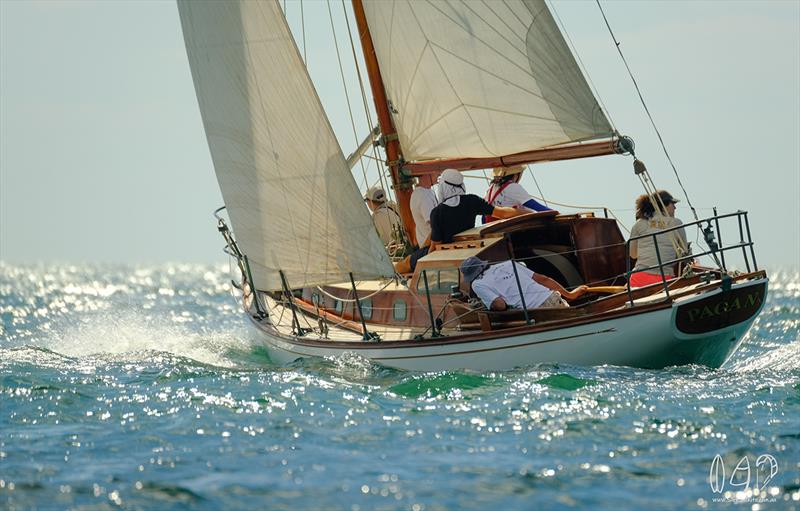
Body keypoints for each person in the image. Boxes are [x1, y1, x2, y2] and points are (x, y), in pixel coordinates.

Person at [429, 169, 525, 252]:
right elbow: (502, 213)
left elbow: (436, 245)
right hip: (470, 248)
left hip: (447, 252)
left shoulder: (436, 212)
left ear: (442, 187)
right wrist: (528, 213)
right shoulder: (472, 200)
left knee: (416, 256)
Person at [460, 256, 588, 311]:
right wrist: (570, 295)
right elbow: (543, 279)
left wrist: (488, 304)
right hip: (553, 299)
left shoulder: (477, 284)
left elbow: (500, 305)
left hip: (536, 312)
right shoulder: (508, 264)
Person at [628, 190, 690, 287]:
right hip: (664, 280)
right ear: (663, 205)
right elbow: (684, 253)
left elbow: (633, 254)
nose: (675, 207)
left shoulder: (639, 224)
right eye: (672, 203)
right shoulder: (677, 223)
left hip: (639, 278)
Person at [483, 165, 553, 223]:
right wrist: (556, 213)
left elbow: (484, 216)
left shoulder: (490, 189)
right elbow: (536, 206)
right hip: (508, 229)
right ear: (516, 175)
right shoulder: (512, 186)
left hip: (492, 228)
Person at [409, 172, 439, 248]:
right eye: (436, 172)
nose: (439, 174)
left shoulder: (426, 192)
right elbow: (433, 223)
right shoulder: (422, 195)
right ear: (427, 173)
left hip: (433, 243)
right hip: (430, 245)